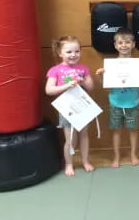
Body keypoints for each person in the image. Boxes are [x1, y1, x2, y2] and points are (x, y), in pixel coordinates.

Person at [95, 28, 139, 168]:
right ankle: (116, 156)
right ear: (115, 45)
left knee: (133, 130)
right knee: (117, 131)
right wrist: (100, 76)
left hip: (133, 102)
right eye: (120, 42)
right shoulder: (110, 66)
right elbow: (105, 85)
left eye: (127, 42)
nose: (124, 45)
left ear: (133, 44)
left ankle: (133, 155)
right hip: (115, 103)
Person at [45, 36, 94, 177]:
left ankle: (85, 161)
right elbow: (49, 90)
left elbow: (91, 87)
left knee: (84, 135)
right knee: (70, 138)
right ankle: (69, 164)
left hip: (83, 107)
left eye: (77, 51)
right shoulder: (55, 70)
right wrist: (67, 85)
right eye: (69, 52)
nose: (73, 55)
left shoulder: (83, 68)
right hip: (66, 109)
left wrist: (83, 81)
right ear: (60, 53)